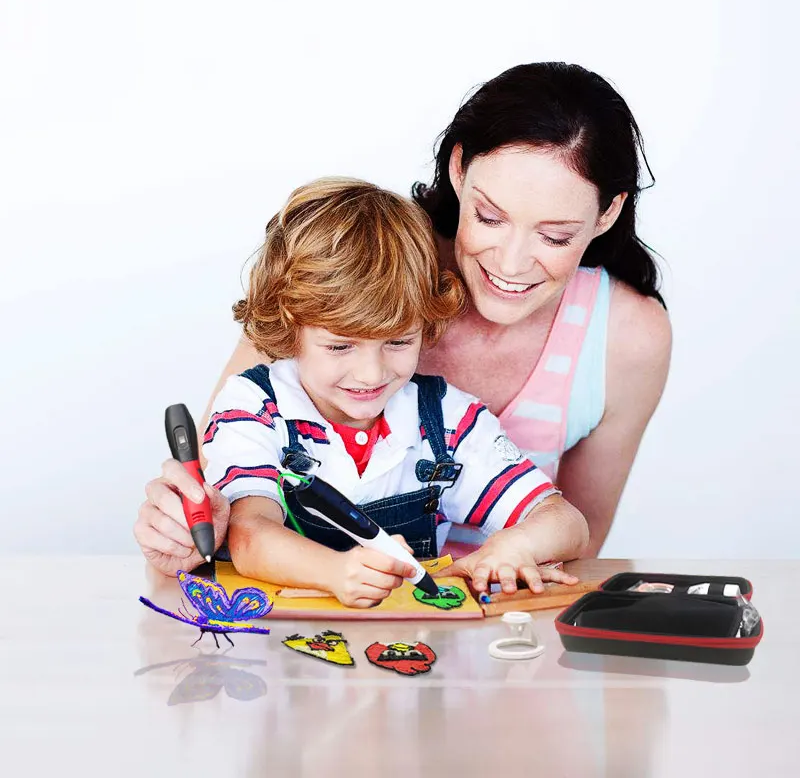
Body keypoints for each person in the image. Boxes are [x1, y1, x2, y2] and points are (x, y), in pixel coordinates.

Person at [135, 62, 670, 583]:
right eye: (490, 217)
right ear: (458, 169)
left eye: (554, 236)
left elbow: (575, 537)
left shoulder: (460, 412)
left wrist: (514, 550)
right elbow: (228, 524)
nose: (510, 263)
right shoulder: (356, 268)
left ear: (607, 213)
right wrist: (184, 529)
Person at [196, 177, 588, 607]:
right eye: (340, 346)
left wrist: (515, 546)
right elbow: (250, 534)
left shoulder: (446, 420)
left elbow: (566, 522)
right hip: (279, 641)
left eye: (399, 342)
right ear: (291, 328)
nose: (371, 374)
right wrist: (335, 572)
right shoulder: (253, 406)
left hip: (412, 641)